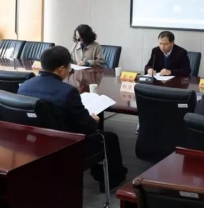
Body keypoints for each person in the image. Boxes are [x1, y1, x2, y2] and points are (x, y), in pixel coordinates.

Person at [18, 46, 127, 187]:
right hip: (67, 145)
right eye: (69, 67)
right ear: (61, 69)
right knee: (110, 138)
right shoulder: (68, 91)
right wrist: (93, 120)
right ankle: (113, 179)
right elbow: (87, 126)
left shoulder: (24, 86)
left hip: (33, 143)